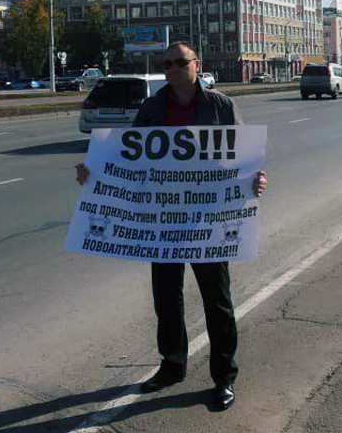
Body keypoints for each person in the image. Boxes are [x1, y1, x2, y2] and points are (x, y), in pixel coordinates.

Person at [75, 41, 267, 410]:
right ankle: (172, 365)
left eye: (180, 62)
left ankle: (224, 377)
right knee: (166, 297)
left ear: (197, 65)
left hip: (208, 220)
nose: (173, 69)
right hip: (163, 220)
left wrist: (256, 180)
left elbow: (243, 158)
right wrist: (93, 173)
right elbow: (129, 159)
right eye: (167, 64)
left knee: (217, 300)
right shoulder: (151, 108)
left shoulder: (220, 106)